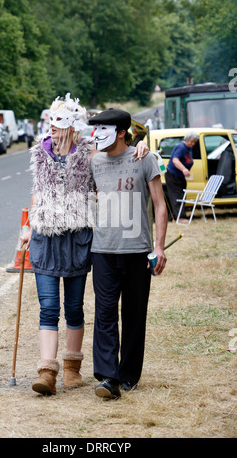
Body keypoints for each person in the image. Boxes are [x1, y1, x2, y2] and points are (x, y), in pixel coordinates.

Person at [20, 95, 150, 396]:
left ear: (72, 126)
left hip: (78, 239)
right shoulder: (39, 153)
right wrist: (26, 227)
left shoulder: (88, 154)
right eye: (49, 120)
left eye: (59, 121)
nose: (52, 126)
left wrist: (142, 146)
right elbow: (37, 192)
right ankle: (47, 371)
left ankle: (71, 368)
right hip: (46, 238)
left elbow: (117, 156)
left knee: (74, 308)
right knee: (48, 308)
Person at [88, 108, 168, 400]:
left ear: (121, 132)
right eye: (94, 129)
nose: (96, 134)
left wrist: (158, 247)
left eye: (103, 129)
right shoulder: (94, 162)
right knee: (105, 313)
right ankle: (108, 377)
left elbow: (160, 205)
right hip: (103, 251)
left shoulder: (144, 159)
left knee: (134, 315)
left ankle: (128, 375)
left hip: (137, 251)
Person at [165, 131, 199, 223]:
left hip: (180, 176)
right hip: (173, 175)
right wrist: (184, 169)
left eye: (194, 142)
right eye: (192, 141)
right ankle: (180, 218)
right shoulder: (181, 147)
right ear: (187, 140)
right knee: (177, 195)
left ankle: (176, 216)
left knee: (182, 195)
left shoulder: (189, 148)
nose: (193, 143)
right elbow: (175, 160)